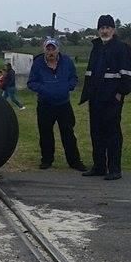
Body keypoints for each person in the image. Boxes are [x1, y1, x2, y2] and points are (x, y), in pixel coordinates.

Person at [80, 14, 131, 181]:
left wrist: (120, 93)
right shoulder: (96, 47)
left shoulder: (122, 47)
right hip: (96, 97)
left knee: (112, 133)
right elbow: (91, 72)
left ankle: (114, 169)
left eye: (107, 28)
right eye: (102, 28)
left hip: (112, 98)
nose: (104, 31)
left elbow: (129, 73)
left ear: (113, 29)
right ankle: (99, 167)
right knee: (96, 132)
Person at [28, 38, 86, 171]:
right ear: (44, 50)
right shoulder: (38, 63)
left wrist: (68, 86)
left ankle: (74, 161)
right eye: (48, 49)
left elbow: (74, 77)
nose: (50, 52)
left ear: (58, 49)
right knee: (45, 133)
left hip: (63, 104)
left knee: (68, 133)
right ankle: (47, 160)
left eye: (53, 49)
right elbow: (31, 82)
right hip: (45, 105)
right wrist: (43, 89)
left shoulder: (67, 62)